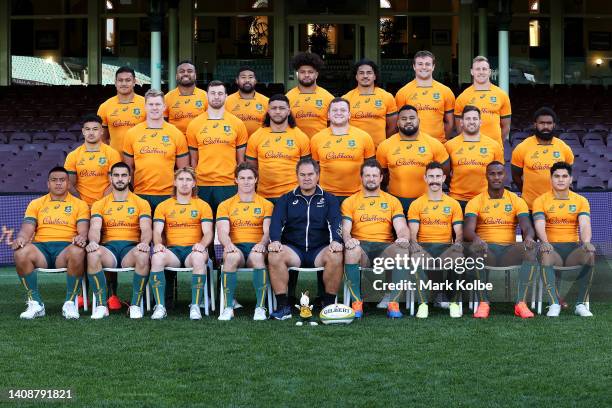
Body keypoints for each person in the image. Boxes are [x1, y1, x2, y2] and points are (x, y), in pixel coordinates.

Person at [267, 158, 343, 320]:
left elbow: (336, 223)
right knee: (274, 254)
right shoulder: (285, 199)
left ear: (318, 175)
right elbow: (275, 223)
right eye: (302, 174)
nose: (306, 178)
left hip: (319, 250)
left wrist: (336, 240)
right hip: (293, 249)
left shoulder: (329, 199)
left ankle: (328, 305)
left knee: (336, 255)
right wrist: (275, 240)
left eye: (310, 174)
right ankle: (283, 306)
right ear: (297, 176)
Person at [11, 167, 89, 320]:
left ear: (68, 183)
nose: (58, 183)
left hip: (65, 250)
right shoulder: (36, 203)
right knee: (20, 252)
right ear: (48, 184)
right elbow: (27, 229)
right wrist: (21, 238)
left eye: (62, 180)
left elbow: (83, 230)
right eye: (54, 180)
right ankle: (35, 303)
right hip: (42, 250)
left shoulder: (80, 204)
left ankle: (70, 302)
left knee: (78, 250)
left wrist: (82, 237)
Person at [464, 161, 537, 319]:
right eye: (492, 173)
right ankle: (484, 303)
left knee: (530, 252)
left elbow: (527, 227)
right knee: (475, 252)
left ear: (505, 176)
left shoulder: (516, 200)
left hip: (508, 251)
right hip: (486, 250)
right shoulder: (475, 201)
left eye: (499, 173)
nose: (496, 177)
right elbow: (468, 230)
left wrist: (529, 237)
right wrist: (476, 239)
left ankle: (520, 303)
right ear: (486, 176)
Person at [342, 159, 410, 318]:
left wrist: (402, 238)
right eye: (367, 175)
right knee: (351, 249)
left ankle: (393, 304)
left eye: (374, 175)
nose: (371, 179)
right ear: (361, 177)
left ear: (381, 178)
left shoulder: (392, 201)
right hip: (362, 248)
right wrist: (348, 240)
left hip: (384, 249)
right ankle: (357, 303)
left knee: (402, 249)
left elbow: (401, 227)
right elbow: (345, 229)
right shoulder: (350, 202)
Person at [86, 162, 152, 319]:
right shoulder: (100, 204)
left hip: (131, 249)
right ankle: (102, 305)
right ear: (110, 178)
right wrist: (93, 241)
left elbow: (146, 228)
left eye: (123, 175)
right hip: (109, 250)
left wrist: (144, 242)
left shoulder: (141, 203)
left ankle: (135, 305)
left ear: (129, 178)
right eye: (116, 175)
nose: (120, 179)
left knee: (143, 255)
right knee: (93, 254)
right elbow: (95, 228)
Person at [150, 167, 214, 320]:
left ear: (194, 184)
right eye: (181, 179)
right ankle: (160, 306)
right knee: (157, 257)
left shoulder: (202, 205)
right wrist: (158, 244)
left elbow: (208, 233)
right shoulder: (163, 206)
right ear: (174, 182)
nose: (184, 183)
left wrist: (202, 244)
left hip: (193, 251)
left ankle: (195, 306)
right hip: (173, 252)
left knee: (199, 257)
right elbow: (157, 232)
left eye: (188, 180)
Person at [532, 162, 595, 317]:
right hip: (552, 250)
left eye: (564, 176)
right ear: (551, 179)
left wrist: (586, 241)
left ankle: (580, 304)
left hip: (573, 249)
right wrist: (545, 242)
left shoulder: (581, 200)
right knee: (545, 253)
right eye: (557, 176)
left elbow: (585, 224)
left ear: (571, 179)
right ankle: (554, 303)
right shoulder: (540, 200)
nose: (561, 179)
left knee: (590, 254)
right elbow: (539, 224)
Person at [216, 162, 274, 321]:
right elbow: (222, 231)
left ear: (256, 179)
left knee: (256, 257)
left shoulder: (266, 204)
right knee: (231, 257)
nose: (246, 181)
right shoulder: (225, 205)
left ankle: (260, 308)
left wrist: (262, 244)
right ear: (235, 180)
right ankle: (228, 307)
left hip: (257, 246)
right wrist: (228, 245)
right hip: (237, 247)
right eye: (242, 178)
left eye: (250, 178)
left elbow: (268, 230)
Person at [407, 162, 464, 318]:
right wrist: (415, 244)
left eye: (438, 176)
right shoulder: (416, 204)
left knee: (458, 257)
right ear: (425, 178)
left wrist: (457, 244)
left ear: (444, 178)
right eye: (431, 176)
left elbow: (458, 231)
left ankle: (453, 303)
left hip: (445, 248)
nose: (434, 180)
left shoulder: (453, 204)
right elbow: (413, 232)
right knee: (416, 257)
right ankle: (423, 305)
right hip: (425, 248)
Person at [185, 80, 248, 214]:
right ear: (207, 96)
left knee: (227, 227)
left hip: (229, 184)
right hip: (202, 184)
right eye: (213, 93)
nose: (216, 96)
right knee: (203, 227)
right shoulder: (194, 124)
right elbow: (193, 161)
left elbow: (241, 161)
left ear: (226, 96)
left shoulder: (237, 124)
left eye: (220, 93)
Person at [122, 88, 190, 214]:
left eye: (158, 104)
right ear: (145, 107)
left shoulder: (176, 134)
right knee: (143, 232)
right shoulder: (132, 133)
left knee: (164, 233)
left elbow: (183, 170)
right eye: (151, 104)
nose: (154, 108)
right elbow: (128, 168)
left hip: (168, 195)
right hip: (140, 194)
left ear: (164, 106)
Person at [376, 104, 450, 214]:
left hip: (426, 204)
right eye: (404, 119)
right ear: (397, 123)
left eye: (412, 118)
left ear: (418, 120)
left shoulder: (434, 144)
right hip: (396, 204)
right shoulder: (385, 146)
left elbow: (445, 169)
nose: (408, 121)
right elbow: (382, 176)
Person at [246, 94, 311, 202]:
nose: (277, 111)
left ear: (289, 111)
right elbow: (252, 168)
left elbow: (306, 169)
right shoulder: (256, 136)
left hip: (294, 196)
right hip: (264, 197)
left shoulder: (300, 136)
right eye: (273, 108)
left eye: (282, 108)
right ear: (268, 111)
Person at [310, 97, 375, 203]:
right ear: (328, 115)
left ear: (349, 115)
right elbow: (314, 170)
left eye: (343, 110)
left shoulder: (364, 137)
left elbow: (371, 168)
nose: (339, 113)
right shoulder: (316, 139)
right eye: (335, 110)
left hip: (357, 195)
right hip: (326, 195)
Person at [511, 107, 574, 210]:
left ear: (554, 125)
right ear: (535, 124)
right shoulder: (522, 147)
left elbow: (568, 175)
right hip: (530, 207)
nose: (545, 126)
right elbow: (516, 176)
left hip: (557, 206)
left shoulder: (564, 148)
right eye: (542, 123)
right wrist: (527, 193)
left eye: (549, 123)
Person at [445, 105, 503, 211]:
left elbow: (499, 174)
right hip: (457, 200)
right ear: (461, 122)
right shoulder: (449, 145)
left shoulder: (494, 145)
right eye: (468, 118)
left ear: (480, 122)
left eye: (475, 118)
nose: (471, 122)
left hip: (484, 200)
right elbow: (445, 174)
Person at [395, 51, 455, 143]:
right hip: (412, 144)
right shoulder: (403, 92)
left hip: (439, 144)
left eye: (427, 64)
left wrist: (441, 141)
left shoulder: (446, 91)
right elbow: (398, 123)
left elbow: (450, 123)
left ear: (433, 67)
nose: (424, 67)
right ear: (414, 66)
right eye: (420, 64)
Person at [455, 56, 511, 152]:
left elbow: (506, 127)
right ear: (472, 72)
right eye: (477, 69)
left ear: (489, 72)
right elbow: (459, 128)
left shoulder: (501, 95)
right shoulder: (462, 97)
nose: (481, 72)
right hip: (470, 150)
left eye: (484, 69)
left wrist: (496, 144)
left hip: (495, 149)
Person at [65, 114, 122, 207]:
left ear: (102, 131)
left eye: (95, 129)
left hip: (106, 205)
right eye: (87, 129)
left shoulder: (112, 153)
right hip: (80, 206)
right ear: (83, 131)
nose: (91, 133)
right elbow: (69, 184)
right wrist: (81, 204)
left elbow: (115, 183)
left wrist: (100, 204)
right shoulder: (73, 155)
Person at [342, 59, 397, 147]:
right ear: (356, 76)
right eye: (361, 73)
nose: (365, 76)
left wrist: (384, 144)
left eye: (369, 73)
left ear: (375, 76)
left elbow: (393, 127)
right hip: (355, 149)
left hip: (379, 150)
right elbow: (341, 126)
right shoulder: (346, 99)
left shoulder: (387, 97)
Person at [97, 66, 146, 153]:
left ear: (134, 82)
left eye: (128, 80)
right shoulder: (105, 106)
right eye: (120, 80)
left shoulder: (146, 104)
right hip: (115, 160)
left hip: (140, 157)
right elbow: (102, 138)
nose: (124, 84)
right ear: (115, 83)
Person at [286, 52, 334, 138]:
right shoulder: (288, 98)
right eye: (302, 72)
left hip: (321, 145)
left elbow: (334, 124)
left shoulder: (328, 97)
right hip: (295, 146)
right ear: (297, 74)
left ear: (316, 74)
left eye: (310, 72)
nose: (306, 75)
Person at [164, 60, 208, 135]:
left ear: (195, 75)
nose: (186, 74)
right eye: (182, 71)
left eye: (189, 71)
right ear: (176, 76)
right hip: (176, 142)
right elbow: (163, 123)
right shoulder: (167, 98)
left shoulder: (206, 96)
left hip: (199, 141)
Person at [225, 66, 270, 136]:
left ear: (255, 81)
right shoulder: (226, 101)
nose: (247, 80)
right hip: (235, 144)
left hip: (259, 144)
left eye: (250, 77)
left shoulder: (266, 101)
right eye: (243, 77)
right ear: (237, 80)